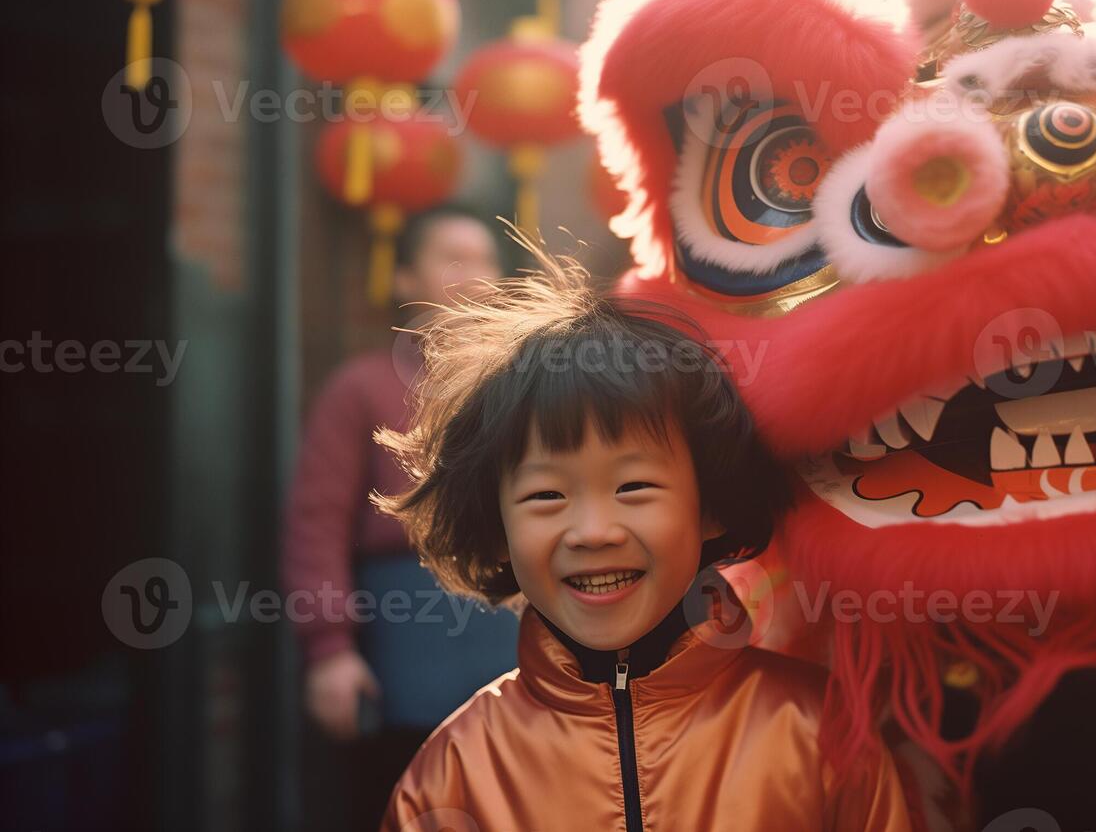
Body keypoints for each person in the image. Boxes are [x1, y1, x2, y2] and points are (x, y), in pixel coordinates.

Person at [372, 258, 913, 831]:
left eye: (633, 487)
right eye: (546, 496)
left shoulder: (816, 730)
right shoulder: (456, 770)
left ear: (711, 508)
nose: (593, 531)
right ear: (498, 529)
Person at [281, 204, 518, 832]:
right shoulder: (360, 388)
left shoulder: (523, 388)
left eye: (487, 260)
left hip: (511, 632)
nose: (476, 276)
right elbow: (317, 523)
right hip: (405, 635)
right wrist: (329, 649)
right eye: (454, 259)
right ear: (407, 278)